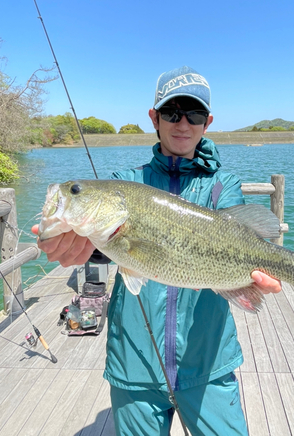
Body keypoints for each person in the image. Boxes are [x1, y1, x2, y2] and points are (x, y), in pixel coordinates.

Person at [33, 66, 281, 436]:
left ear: (207, 122)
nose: (183, 123)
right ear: (154, 118)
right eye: (171, 112)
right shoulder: (124, 184)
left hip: (208, 360)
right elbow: (95, 250)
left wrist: (247, 282)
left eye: (194, 114)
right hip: (134, 364)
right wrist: (62, 243)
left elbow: (238, 239)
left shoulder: (223, 185)